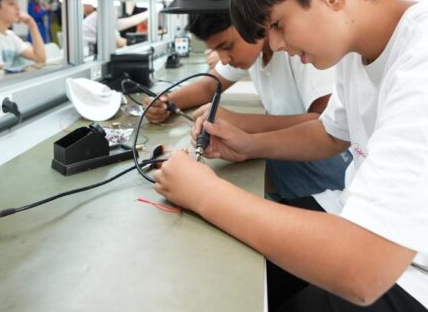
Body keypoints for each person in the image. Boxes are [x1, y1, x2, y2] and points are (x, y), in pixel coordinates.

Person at [153, 0, 428, 311]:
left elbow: (364, 270)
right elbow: (329, 133)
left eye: (278, 25)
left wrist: (205, 192)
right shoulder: (358, 46)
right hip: (362, 221)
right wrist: (248, 145)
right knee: (223, 264)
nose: (277, 45)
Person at [145, 12, 348, 200]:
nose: (223, 59)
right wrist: (166, 102)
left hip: (334, 163)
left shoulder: (298, 50)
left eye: (226, 46)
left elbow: (327, 125)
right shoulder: (252, 47)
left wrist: (241, 122)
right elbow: (209, 85)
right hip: (302, 155)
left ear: (252, 21)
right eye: (216, 50)